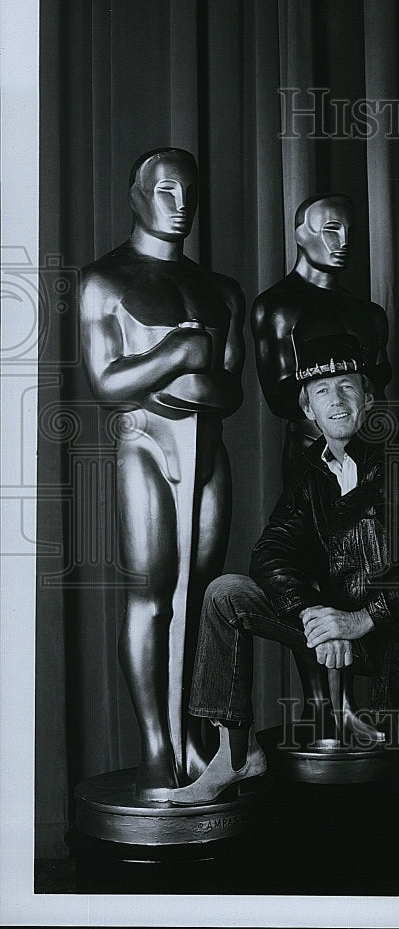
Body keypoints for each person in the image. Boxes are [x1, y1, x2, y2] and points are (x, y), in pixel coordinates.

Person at [166, 327, 399, 896]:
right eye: (322, 389)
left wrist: (360, 619)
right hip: (338, 618)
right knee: (226, 592)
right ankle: (235, 751)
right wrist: (312, 612)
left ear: (370, 398)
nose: (336, 399)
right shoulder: (309, 472)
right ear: (306, 408)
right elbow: (271, 553)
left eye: (348, 386)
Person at [79, 148, 245, 800]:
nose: (180, 205)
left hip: (208, 452)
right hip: (145, 442)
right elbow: (105, 382)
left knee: (203, 595)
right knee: (152, 595)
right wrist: (178, 351)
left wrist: (190, 369)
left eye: (188, 192)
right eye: (166, 191)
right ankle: (155, 744)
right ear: (136, 195)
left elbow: (231, 391)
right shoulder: (105, 280)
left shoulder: (221, 289)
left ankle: (195, 736)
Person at [251, 193, 391, 478]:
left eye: (349, 232)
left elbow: (382, 394)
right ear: (301, 234)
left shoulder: (370, 313)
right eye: (331, 230)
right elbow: (280, 397)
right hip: (311, 452)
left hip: (373, 454)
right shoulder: (278, 306)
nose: (344, 242)